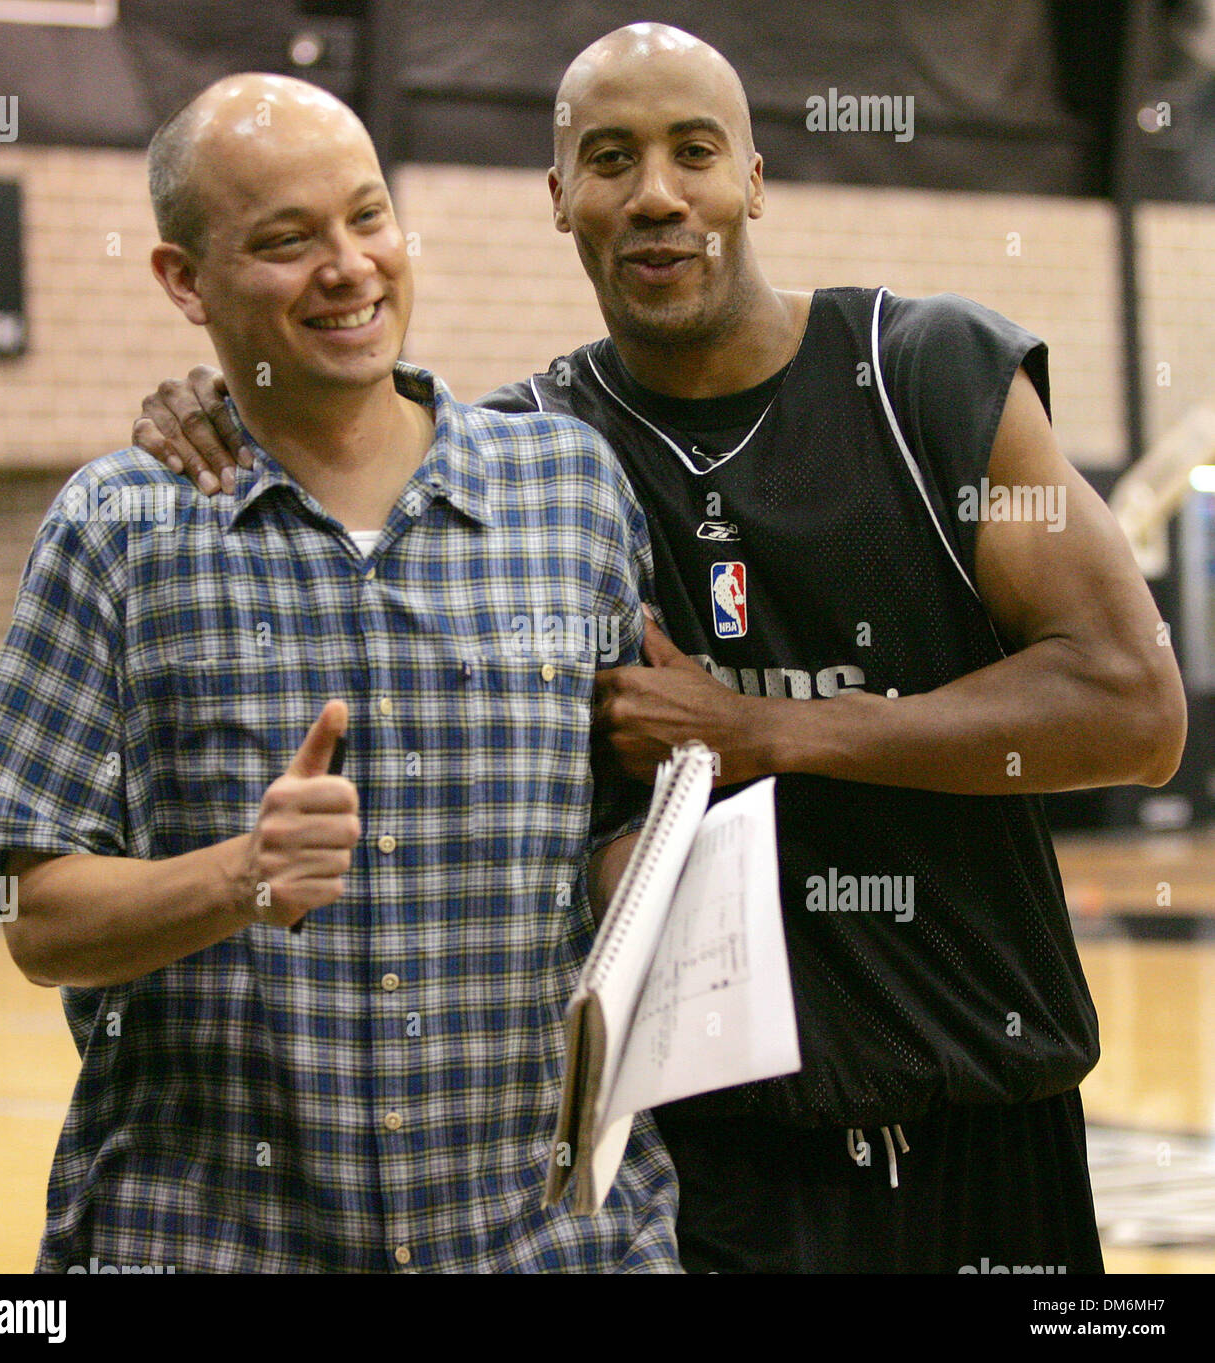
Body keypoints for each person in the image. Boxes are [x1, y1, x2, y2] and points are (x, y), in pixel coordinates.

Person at [126, 26, 1186, 1274]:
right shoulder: (528, 460)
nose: (656, 194)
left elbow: (1133, 706)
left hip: (991, 1135)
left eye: (694, 151)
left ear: (752, 178)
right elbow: (342, 428)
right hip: (716, 1181)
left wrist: (769, 733)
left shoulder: (930, 377)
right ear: (560, 199)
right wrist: (217, 396)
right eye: (610, 158)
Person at [0, 72, 681, 1273]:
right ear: (184, 280)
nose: (348, 267)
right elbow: (37, 919)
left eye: (366, 217)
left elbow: (618, 829)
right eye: (285, 240)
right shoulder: (118, 531)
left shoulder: (569, 494)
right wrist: (240, 875)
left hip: (550, 1246)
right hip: (213, 1242)